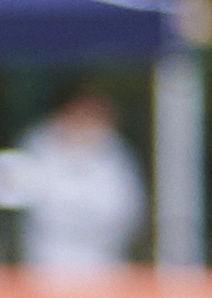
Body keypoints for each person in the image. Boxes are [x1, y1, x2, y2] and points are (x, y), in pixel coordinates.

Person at [13, 85, 147, 283]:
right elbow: (41, 209)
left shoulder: (115, 152)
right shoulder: (40, 146)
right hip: (48, 264)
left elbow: (125, 210)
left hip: (104, 265)